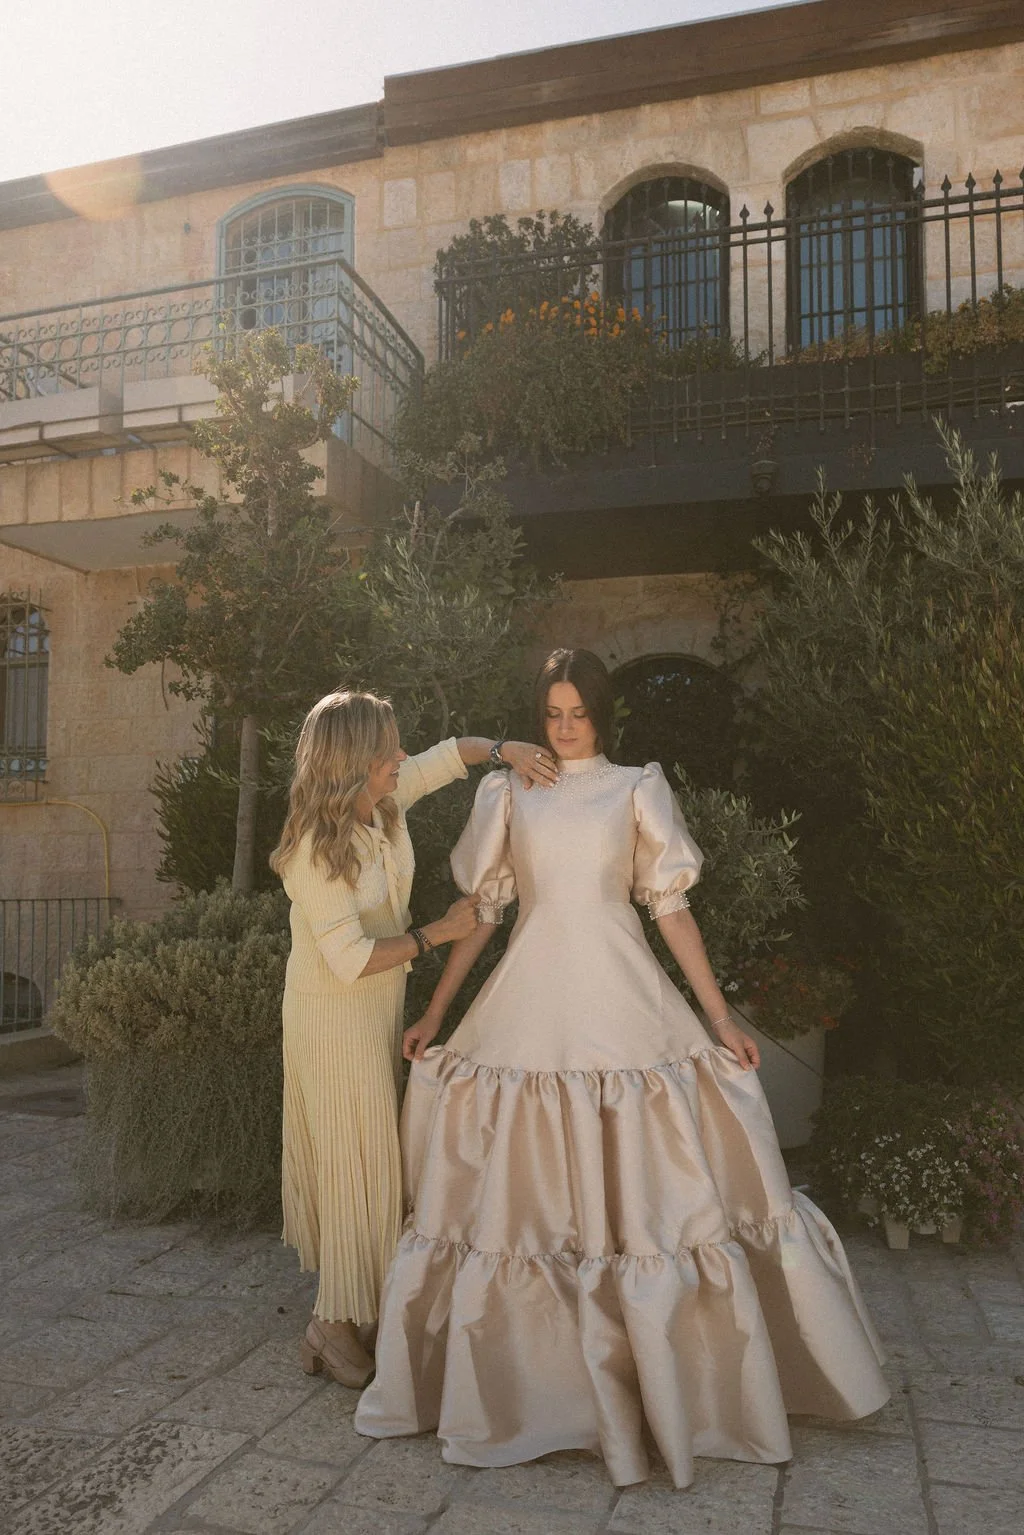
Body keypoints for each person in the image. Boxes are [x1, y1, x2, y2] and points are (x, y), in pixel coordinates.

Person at [355, 649, 889, 1488]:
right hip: (532, 997)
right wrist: (434, 1011)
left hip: (624, 996)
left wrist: (718, 1018)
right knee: (521, 1202)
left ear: (603, 714)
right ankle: (539, 1392)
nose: (564, 728)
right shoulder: (509, 789)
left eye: (578, 713)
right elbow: (480, 915)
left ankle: (675, 1382)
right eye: (552, 713)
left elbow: (671, 910)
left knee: (651, 1194)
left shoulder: (637, 785)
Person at [270, 689, 558, 1389]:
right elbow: (349, 957)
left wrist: (504, 750)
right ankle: (332, 1323)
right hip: (331, 1018)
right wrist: (440, 932)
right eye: (387, 750)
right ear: (353, 762)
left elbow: (447, 756)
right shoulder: (313, 847)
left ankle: (347, 1308)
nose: (400, 757)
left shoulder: (382, 807)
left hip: (373, 1011)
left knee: (373, 1160)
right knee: (351, 1162)